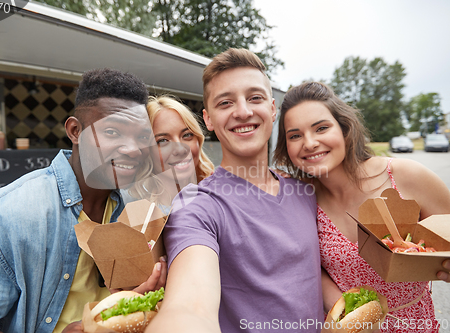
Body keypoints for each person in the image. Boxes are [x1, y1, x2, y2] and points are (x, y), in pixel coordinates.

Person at [0, 68, 166, 333]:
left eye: (142, 137)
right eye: (112, 132)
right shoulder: (3, 216)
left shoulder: (140, 208)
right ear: (75, 131)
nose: (133, 149)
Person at [147, 48, 323, 333]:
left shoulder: (306, 191)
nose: (243, 112)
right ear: (208, 119)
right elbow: (188, 308)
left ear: (273, 108)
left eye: (255, 98)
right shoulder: (195, 205)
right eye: (225, 102)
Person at [273, 81, 450, 333]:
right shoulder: (301, 197)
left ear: (344, 128)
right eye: (295, 135)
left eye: (321, 128)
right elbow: (310, 267)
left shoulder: (405, 176)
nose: (309, 143)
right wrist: (351, 315)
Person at [126, 95, 214, 212]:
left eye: (187, 135)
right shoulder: (131, 210)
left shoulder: (222, 196)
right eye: (163, 141)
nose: (180, 149)